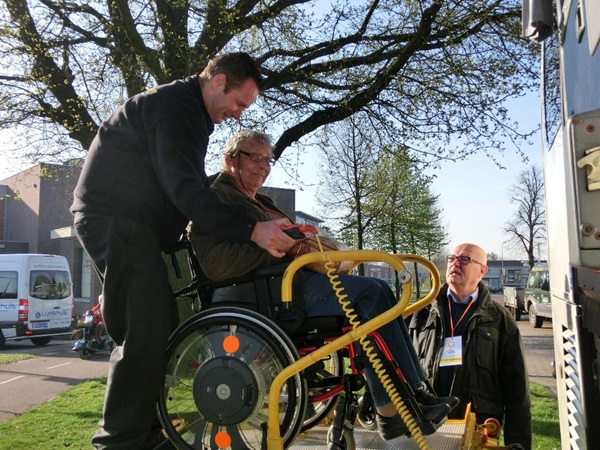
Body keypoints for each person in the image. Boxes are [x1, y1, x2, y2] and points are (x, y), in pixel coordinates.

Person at [71, 53, 298, 450]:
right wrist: (251, 229)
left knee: (155, 325)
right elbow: (187, 190)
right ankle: (120, 440)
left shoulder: (185, 111)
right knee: (143, 328)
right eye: (239, 102)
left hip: (131, 224)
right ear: (217, 81)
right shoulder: (177, 110)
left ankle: (142, 433)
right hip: (116, 220)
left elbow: (178, 189)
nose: (238, 113)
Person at [188, 129, 459, 441]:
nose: (263, 166)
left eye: (268, 159)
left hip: (286, 284)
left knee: (381, 291)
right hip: (267, 294)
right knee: (369, 295)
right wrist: (284, 251)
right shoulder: (214, 198)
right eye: (255, 157)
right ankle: (397, 406)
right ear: (229, 158)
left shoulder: (257, 201)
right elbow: (217, 264)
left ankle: (414, 393)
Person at [407, 243, 532, 449]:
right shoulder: (420, 312)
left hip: (477, 427)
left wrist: (518, 444)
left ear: (482, 271)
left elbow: (517, 390)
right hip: (424, 423)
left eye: (464, 259)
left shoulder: (499, 319)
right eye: (452, 258)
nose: (455, 263)